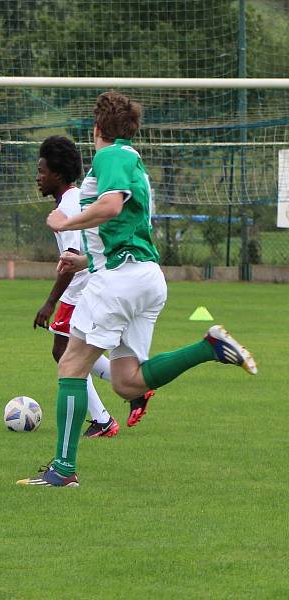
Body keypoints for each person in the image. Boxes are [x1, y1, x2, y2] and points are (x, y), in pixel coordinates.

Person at [18, 92, 256, 487]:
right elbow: (120, 222)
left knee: (71, 365)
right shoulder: (134, 163)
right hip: (146, 277)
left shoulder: (111, 156)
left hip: (119, 280)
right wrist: (84, 260)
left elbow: (110, 207)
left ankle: (62, 471)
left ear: (96, 129)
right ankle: (208, 347)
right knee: (128, 381)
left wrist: (65, 222)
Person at [33, 135, 155, 438]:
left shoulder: (73, 203)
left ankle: (103, 420)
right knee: (67, 353)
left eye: (42, 171)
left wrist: (50, 303)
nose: (38, 177)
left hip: (86, 289)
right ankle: (128, 397)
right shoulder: (69, 200)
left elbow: (72, 259)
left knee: (66, 355)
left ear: (57, 175)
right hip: (87, 287)